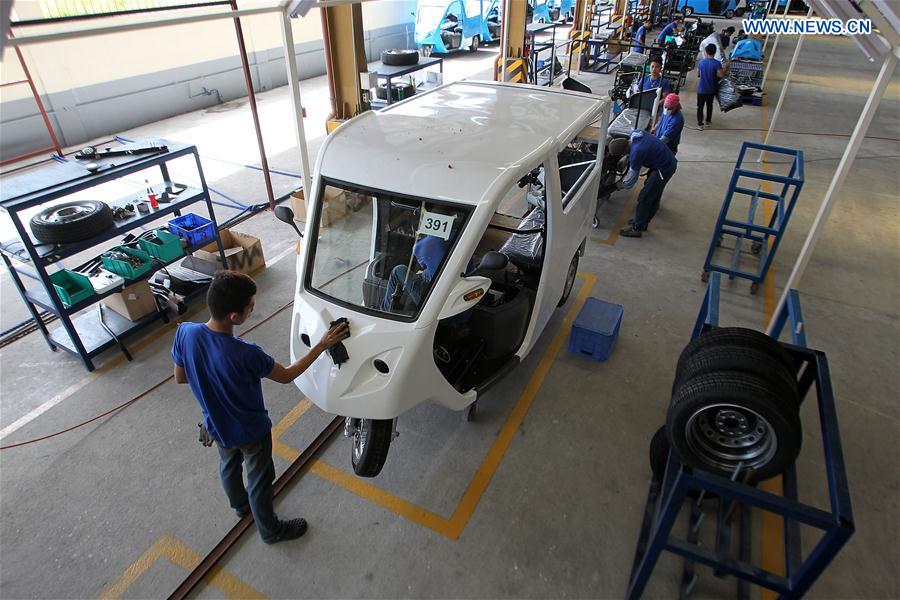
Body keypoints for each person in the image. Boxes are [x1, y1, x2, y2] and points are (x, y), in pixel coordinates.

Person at [172, 271, 350, 545]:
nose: (253, 308)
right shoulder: (246, 353)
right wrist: (323, 344)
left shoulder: (186, 332)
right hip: (250, 431)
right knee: (260, 478)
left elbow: (180, 377)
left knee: (229, 466)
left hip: (215, 425)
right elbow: (288, 375)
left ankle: (240, 507)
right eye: (250, 306)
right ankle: (271, 530)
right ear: (234, 316)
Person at [612, 130, 678, 238]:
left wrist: (618, 185)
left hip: (664, 168)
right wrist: (627, 158)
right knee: (654, 193)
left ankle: (637, 228)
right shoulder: (635, 134)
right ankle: (642, 221)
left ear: (624, 151)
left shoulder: (636, 153)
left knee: (645, 197)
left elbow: (630, 182)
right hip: (665, 161)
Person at [383, 235, 448, 313]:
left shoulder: (421, 245)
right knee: (425, 273)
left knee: (398, 270)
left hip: (431, 299)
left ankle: (385, 311)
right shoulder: (454, 236)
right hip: (446, 287)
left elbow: (422, 265)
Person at [696, 43, 725, 130]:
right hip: (711, 89)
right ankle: (708, 121)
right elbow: (720, 75)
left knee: (700, 107)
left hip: (701, 89)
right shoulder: (717, 64)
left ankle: (700, 124)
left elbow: (698, 75)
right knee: (709, 105)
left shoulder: (701, 62)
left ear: (706, 51)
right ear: (715, 52)